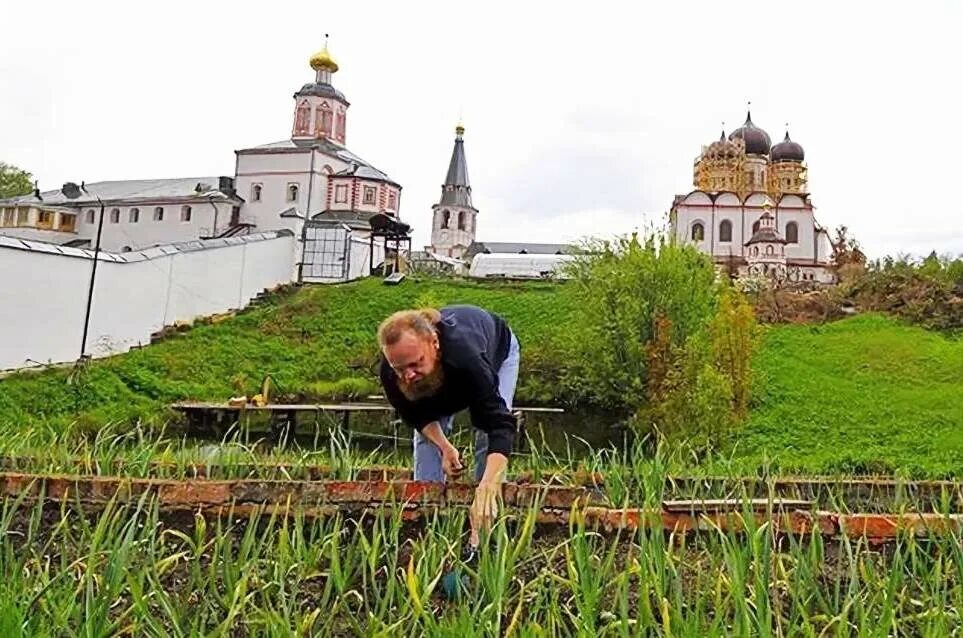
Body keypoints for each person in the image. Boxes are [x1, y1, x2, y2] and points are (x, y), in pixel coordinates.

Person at [377, 305, 520, 540]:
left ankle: (484, 524)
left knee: (486, 434)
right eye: (400, 368)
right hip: (442, 378)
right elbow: (416, 416)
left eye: (415, 364)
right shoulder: (392, 370)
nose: (408, 376)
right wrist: (444, 447)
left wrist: (488, 486)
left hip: (497, 353)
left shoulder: (467, 357)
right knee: (426, 441)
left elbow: (499, 425)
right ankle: (426, 524)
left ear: (434, 342)